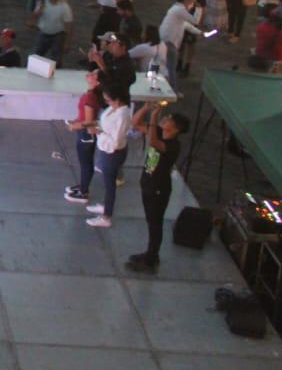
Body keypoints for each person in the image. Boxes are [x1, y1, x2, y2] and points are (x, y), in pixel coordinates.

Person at [126, 105, 188, 272]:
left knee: (155, 223)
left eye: (168, 120)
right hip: (148, 184)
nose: (164, 119)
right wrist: (146, 108)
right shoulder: (158, 132)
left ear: (175, 129)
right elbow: (134, 123)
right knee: (150, 221)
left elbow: (153, 142)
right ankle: (150, 253)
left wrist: (153, 118)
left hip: (158, 188)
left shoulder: (173, 145)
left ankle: (151, 259)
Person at [84, 84, 132, 228]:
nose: (106, 102)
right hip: (107, 150)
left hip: (113, 153)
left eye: (108, 100)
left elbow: (116, 142)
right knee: (107, 183)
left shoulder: (122, 115)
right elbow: (105, 123)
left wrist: (99, 133)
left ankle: (106, 217)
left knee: (110, 185)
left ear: (117, 100)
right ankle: (106, 206)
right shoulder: (114, 109)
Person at [63, 69, 104, 204]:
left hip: (85, 134)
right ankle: (83, 186)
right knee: (85, 162)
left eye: (94, 74)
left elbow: (88, 121)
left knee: (86, 163)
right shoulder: (91, 95)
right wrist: (76, 121)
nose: (90, 74)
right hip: (84, 133)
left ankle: (83, 192)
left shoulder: (89, 97)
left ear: (97, 82)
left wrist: (74, 126)